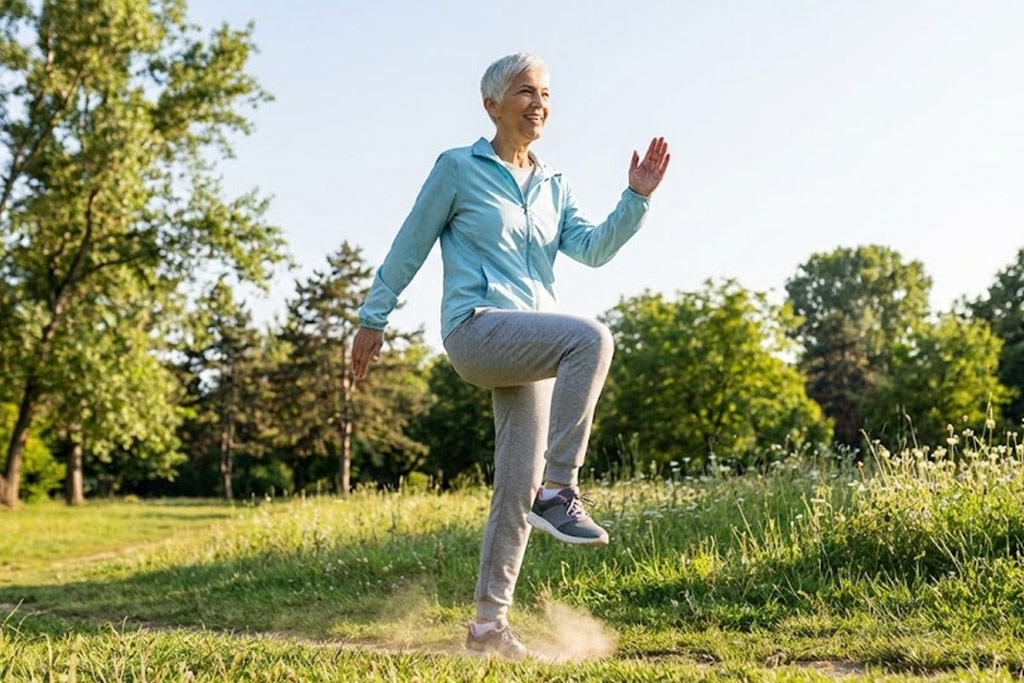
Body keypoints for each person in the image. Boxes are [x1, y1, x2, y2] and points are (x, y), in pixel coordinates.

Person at [351, 52, 670, 660]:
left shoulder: (555, 185)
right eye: (526, 91)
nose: (540, 103)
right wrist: (374, 318)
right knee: (592, 338)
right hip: (476, 329)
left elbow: (593, 249)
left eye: (547, 93)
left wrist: (635, 200)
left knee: (514, 486)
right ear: (492, 104)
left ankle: (486, 628)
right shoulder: (457, 169)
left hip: (527, 341)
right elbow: (409, 244)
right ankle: (563, 490)